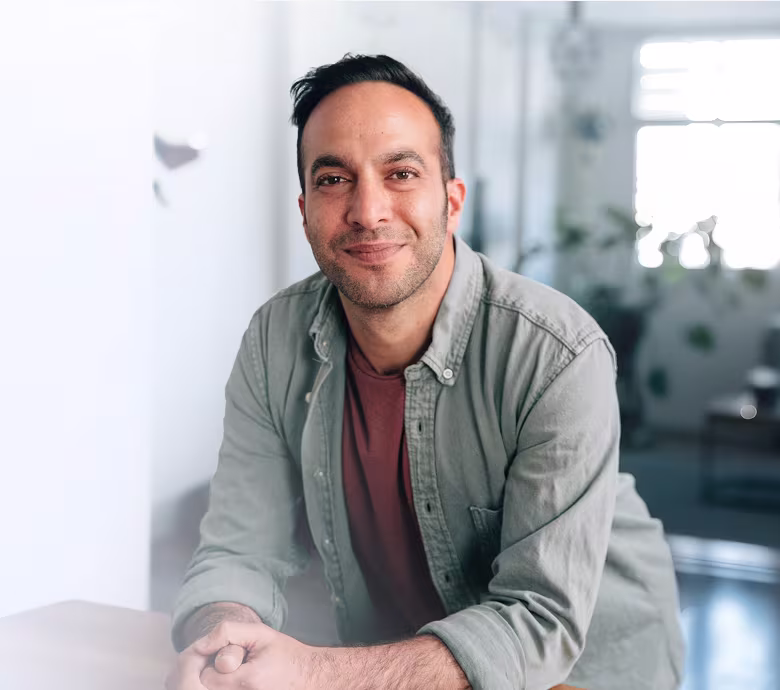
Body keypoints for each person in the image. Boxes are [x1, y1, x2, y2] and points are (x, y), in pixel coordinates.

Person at [166, 54, 684, 690]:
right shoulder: (274, 339)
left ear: (452, 200)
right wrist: (225, 638)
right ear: (304, 209)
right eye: (333, 180)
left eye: (401, 173)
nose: (368, 210)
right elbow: (237, 551)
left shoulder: (556, 351)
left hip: (585, 667)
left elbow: (540, 617)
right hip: (401, 669)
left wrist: (312, 671)